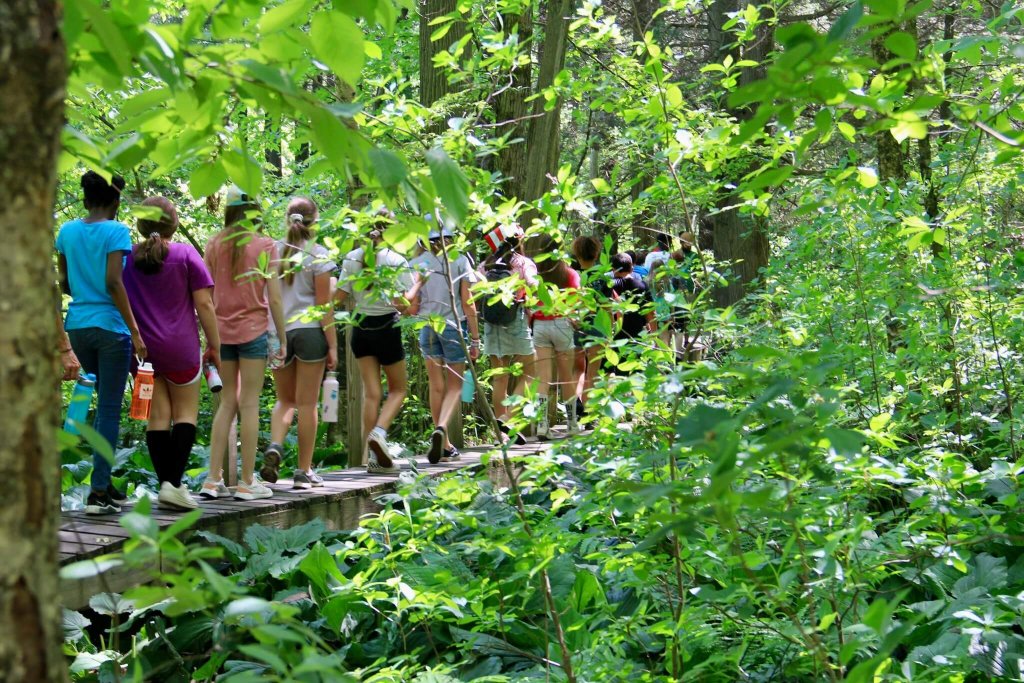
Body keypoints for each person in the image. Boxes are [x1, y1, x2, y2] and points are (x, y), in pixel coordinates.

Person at [56, 171, 146, 515]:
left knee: (88, 400)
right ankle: (97, 493)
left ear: (85, 198)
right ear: (116, 200)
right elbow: (113, 282)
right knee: (109, 407)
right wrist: (135, 330)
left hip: (78, 325)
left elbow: (64, 282)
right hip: (110, 327)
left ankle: (104, 483)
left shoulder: (66, 231)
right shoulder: (116, 231)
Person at [124, 197, 219, 510]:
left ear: (141, 223)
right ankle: (173, 485)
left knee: (158, 417)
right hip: (180, 349)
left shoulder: (126, 258)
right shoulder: (185, 254)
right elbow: (204, 304)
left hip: (141, 352)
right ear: (173, 223)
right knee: (185, 415)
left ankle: (168, 486)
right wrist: (215, 345)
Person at [203, 187, 287, 501]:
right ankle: (247, 482)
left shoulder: (214, 243)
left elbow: (205, 293)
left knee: (228, 403)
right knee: (249, 404)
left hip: (221, 333)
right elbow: (274, 298)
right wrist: (282, 338)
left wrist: (207, 336)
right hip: (253, 331)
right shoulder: (265, 245)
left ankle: (212, 479)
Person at [336, 209, 423, 473]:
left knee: (372, 393)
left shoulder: (352, 258)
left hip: (360, 327)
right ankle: (379, 432)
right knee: (399, 389)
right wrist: (418, 283)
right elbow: (404, 305)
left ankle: (370, 458)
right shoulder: (396, 260)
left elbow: (338, 297)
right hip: (387, 328)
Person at [261, 198, 338, 488]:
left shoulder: (271, 251)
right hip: (309, 332)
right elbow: (323, 306)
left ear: (287, 219)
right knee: (307, 403)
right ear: (314, 221)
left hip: (275, 332)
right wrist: (333, 345)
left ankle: (275, 445)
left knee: (284, 400)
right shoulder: (318, 255)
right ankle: (303, 471)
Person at [410, 219, 479, 463]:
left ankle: (445, 443)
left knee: (436, 385)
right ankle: (441, 428)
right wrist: (475, 339)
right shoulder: (459, 259)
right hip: (453, 327)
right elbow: (467, 302)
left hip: (427, 327)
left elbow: (413, 305)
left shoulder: (417, 263)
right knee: (455, 386)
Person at [478, 225, 538, 444]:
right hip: (515, 320)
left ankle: (501, 434)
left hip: (491, 323)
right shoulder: (523, 263)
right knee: (532, 372)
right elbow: (533, 284)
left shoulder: (485, 265)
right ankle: (508, 419)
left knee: (499, 377)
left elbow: (476, 290)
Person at [527, 234, 580, 440]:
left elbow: (529, 299)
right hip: (562, 323)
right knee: (567, 377)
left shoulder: (536, 273)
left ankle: (542, 425)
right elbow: (576, 300)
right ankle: (572, 424)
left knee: (543, 377)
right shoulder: (569, 273)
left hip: (540, 325)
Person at [571, 234, 615, 415]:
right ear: (596, 253)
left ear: (577, 254)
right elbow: (607, 306)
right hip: (598, 326)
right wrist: (610, 328)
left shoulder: (574, 276)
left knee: (577, 369)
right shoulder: (603, 278)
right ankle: (589, 411)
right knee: (593, 372)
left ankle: (574, 407)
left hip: (576, 325)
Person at [609, 253, 655, 369]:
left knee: (617, 371)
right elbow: (650, 313)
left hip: (615, 337)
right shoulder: (642, 285)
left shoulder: (609, 286)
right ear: (632, 268)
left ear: (613, 269)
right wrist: (655, 338)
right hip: (637, 337)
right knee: (636, 370)